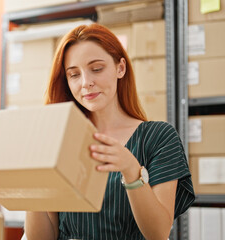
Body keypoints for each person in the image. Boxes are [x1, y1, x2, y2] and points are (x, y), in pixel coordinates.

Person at [24, 23, 195, 240]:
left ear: (120, 68)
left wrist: (131, 169)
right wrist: (32, 183)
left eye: (96, 69)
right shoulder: (60, 139)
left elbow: (158, 233)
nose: (86, 83)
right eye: (74, 74)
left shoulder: (159, 137)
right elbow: (41, 238)